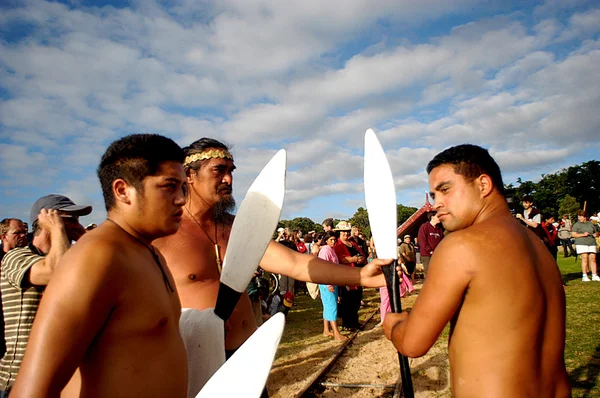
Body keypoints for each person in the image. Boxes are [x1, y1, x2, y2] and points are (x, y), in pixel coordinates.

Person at [152, 138, 391, 395]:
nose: (228, 180)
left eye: (231, 171)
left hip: (248, 359)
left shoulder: (238, 227)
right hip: (198, 364)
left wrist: (362, 276)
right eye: (218, 170)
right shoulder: (163, 233)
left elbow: (294, 263)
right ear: (189, 175)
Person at [383, 144, 570, 398]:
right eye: (434, 195)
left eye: (445, 190)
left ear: (483, 185)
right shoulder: (537, 246)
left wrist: (394, 325)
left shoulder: (462, 245)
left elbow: (413, 343)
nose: (436, 204)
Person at [10, 134, 188, 397]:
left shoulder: (148, 252)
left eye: (183, 188)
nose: (182, 199)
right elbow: (32, 390)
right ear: (122, 190)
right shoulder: (96, 257)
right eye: (169, 186)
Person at [1, 195, 91, 396]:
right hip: (22, 380)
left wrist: (85, 238)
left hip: (61, 378)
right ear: (49, 220)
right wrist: (58, 229)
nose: (78, 225)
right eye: (72, 219)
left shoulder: (70, 257)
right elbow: (57, 271)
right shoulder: (16, 256)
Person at [332, 221, 365, 331]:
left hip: (357, 274)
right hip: (346, 276)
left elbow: (361, 253)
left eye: (347, 232)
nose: (346, 234)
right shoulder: (338, 245)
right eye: (343, 232)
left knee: (357, 298)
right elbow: (340, 259)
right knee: (348, 300)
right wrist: (354, 259)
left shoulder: (352, 243)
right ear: (339, 233)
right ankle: (347, 323)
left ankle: (354, 321)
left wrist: (361, 259)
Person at [317, 232, 347, 341]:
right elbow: (324, 268)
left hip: (331, 281)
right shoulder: (325, 250)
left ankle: (326, 330)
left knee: (328, 306)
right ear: (326, 240)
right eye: (331, 239)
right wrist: (328, 284)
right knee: (332, 306)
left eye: (334, 239)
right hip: (327, 282)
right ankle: (336, 333)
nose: (333, 242)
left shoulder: (331, 249)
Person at [571, 210, 600, 282]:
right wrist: (583, 235)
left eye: (581, 217)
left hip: (591, 242)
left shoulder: (591, 224)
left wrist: (596, 234)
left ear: (585, 217)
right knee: (585, 258)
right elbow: (573, 234)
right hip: (581, 242)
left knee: (593, 258)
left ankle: (594, 274)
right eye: (578, 217)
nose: (579, 218)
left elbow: (596, 232)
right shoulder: (576, 225)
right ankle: (584, 275)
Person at [417, 212, 444, 276]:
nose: (440, 218)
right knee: (429, 273)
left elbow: (442, 241)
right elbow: (422, 242)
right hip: (427, 255)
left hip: (437, 255)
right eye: (438, 216)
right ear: (432, 217)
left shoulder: (439, 229)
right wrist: (431, 251)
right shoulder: (424, 227)